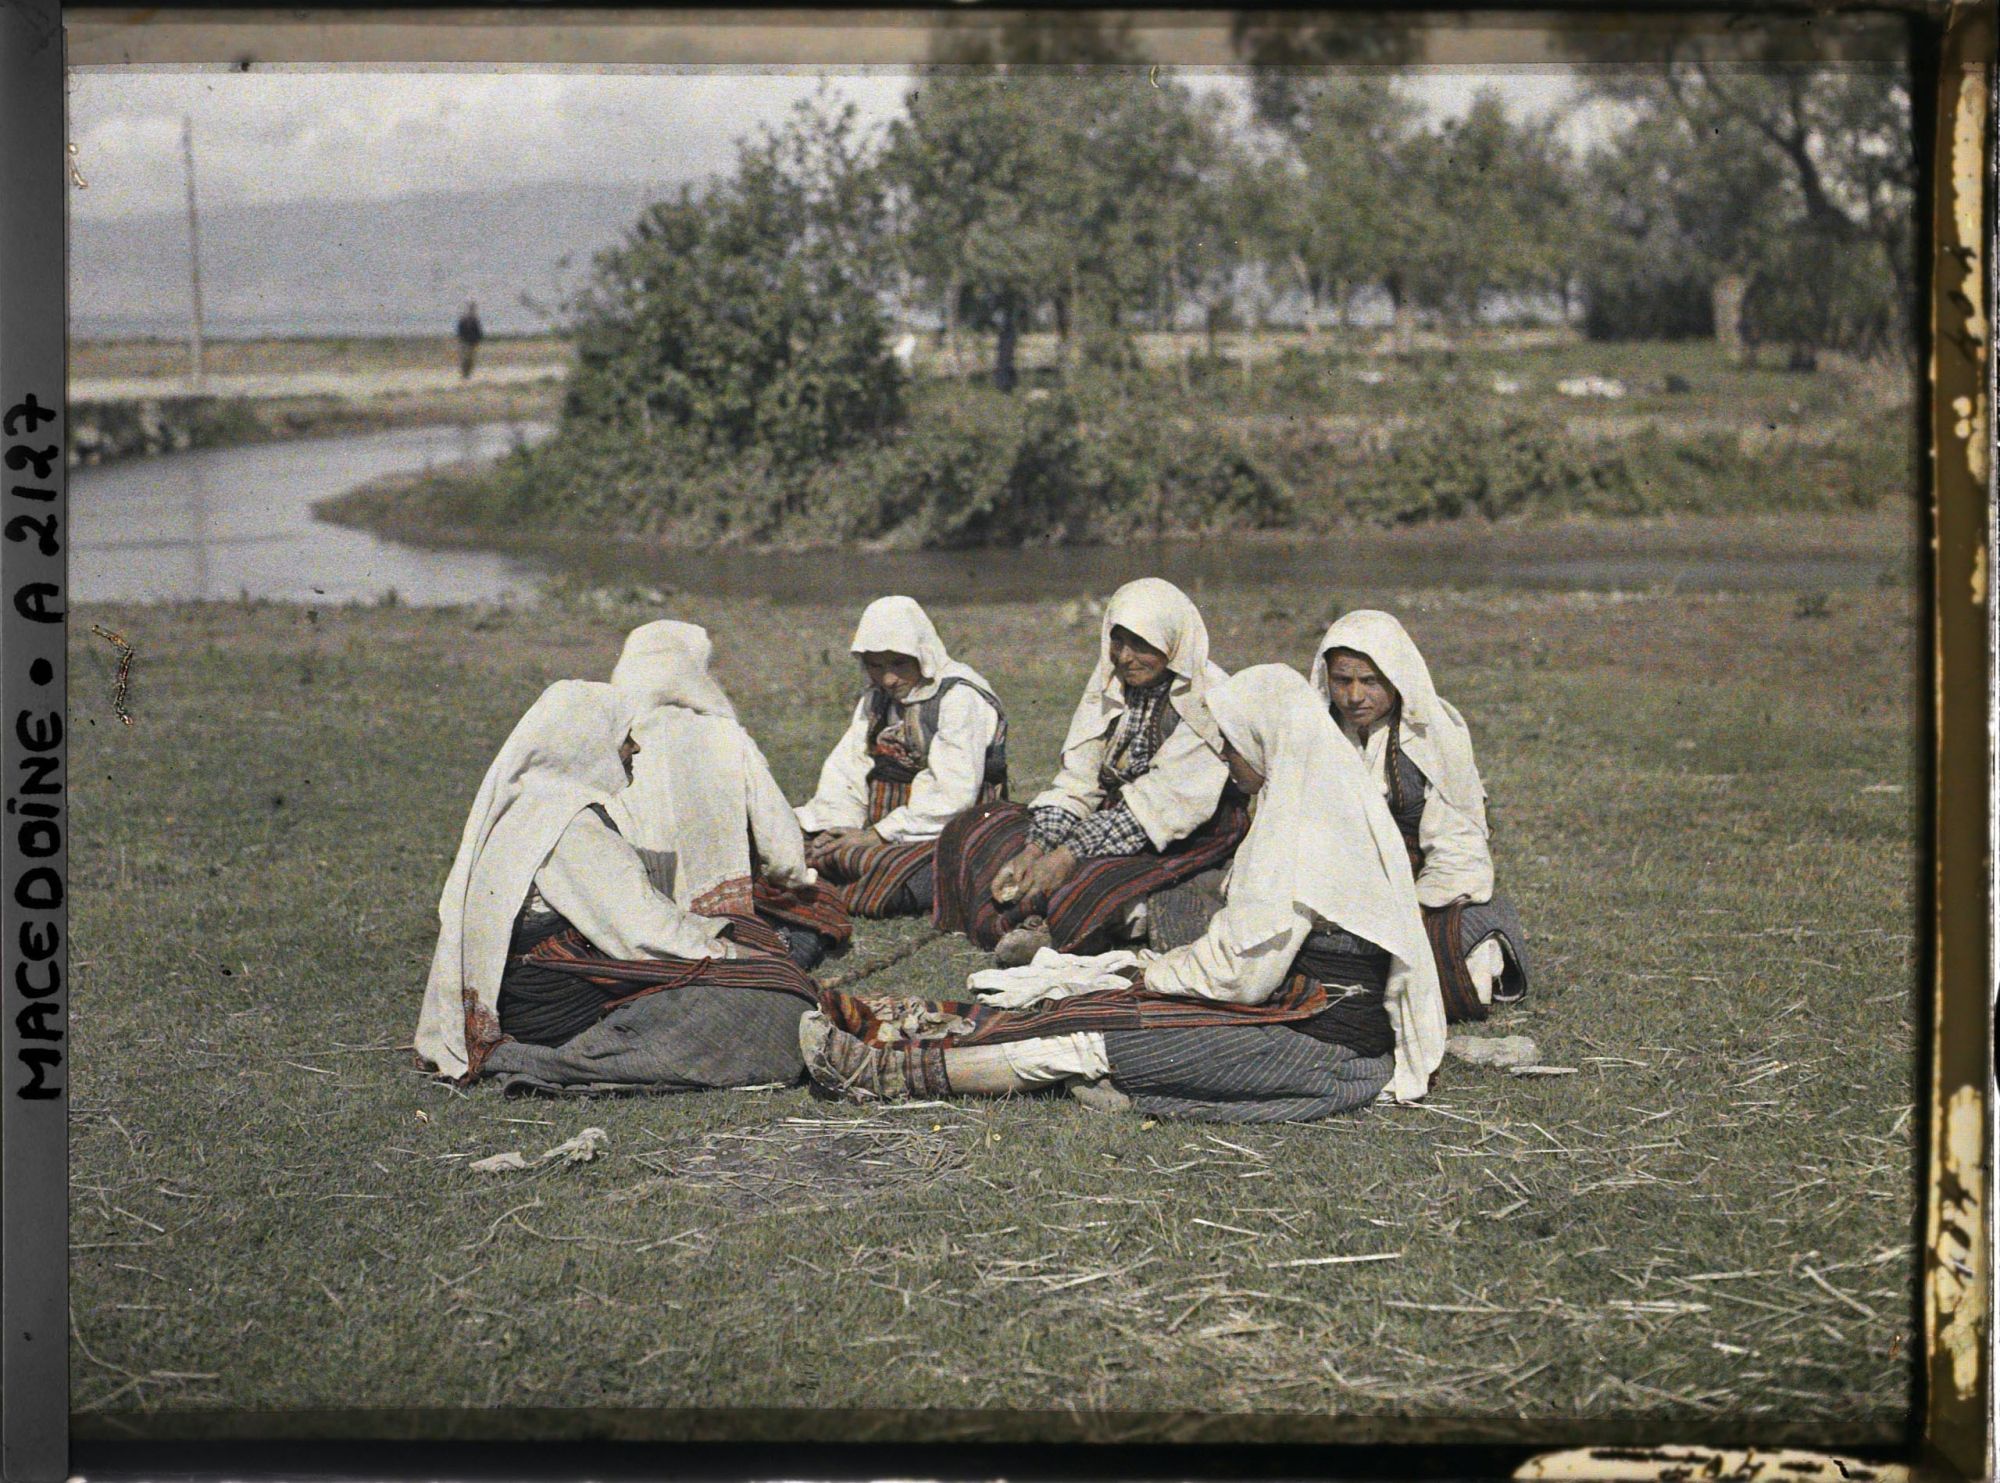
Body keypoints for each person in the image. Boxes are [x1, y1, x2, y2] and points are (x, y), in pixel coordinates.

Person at [800, 666, 1448, 1121]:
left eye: (1230, 743)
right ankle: (899, 1030)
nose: (1226, 758)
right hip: (1295, 1009)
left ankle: (893, 1073)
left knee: (1108, 1031)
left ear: (1264, 738)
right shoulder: (1316, 799)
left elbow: (1243, 974)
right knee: (1102, 1003)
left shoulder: (1304, 824)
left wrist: (1149, 972)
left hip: (1319, 1046)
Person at [412, 679, 821, 1095]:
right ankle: (561, 1061)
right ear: (588, 744)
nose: (636, 749)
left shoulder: (532, 804)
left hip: (542, 996)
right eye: (625, 738)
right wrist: (730, 956)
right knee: (775, 1003)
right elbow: (642, 935)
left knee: (758, 964)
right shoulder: (569, 827)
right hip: (558, 1014)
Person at [931, 577, 1247, 961]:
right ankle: (1050, 912)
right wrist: (1035, 850)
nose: (1126, 656)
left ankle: (1064, 928)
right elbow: (1079, 780)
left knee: (1088, 880)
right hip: (1111, 819)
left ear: (1173, 642)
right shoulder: (1114, 683)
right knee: (980, 828)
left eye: (1142, 644)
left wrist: (1065, 857)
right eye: (1119, 641)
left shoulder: (1208, 699)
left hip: (1181, 827)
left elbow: (1157, 808)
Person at [1311, 609, 1529, 1022]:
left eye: (1370, 681)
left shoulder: (1433, 734)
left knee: (1465, 953)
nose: (1355, 696)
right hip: (1333, 886)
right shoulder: (1313, 734)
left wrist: (1408, 909)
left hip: (1418, 893)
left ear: (1395, 678)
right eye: (1342, 681)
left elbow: (1457, 846)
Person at [607, 620, 851, 970]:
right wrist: (795, 879)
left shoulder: (610, 743)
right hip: (720, 915)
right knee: (820, 905)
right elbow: (779, 845)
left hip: (635, 913)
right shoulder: (723, 735)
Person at [796, 597, 1008, 918]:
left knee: (895, 875)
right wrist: (837, 827)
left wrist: (877, 836)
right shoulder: (877, 698)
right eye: (875, 666)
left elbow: (953, 793)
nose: (888, 679)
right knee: (795, 843)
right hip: (883, 821)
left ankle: (841, 885)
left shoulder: (959, 697)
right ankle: (835, 873)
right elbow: (850, 767)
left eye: (899, 664)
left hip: (948, 826)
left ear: (921, 655)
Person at [455, 299, 484, 380]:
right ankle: (464, 373)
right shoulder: (464, 319)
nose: (472, 311)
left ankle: (467, 374)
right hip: (465, 342)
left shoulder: (475, 320)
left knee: (471, 359)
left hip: (472, 342)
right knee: (465, 358)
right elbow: (460, 330)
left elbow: (478, 331)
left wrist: (478, 340)